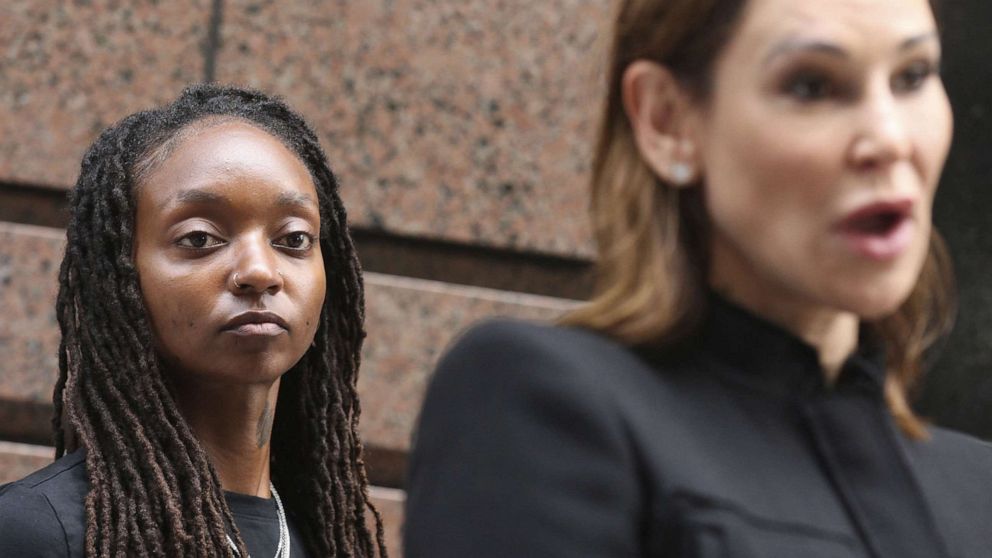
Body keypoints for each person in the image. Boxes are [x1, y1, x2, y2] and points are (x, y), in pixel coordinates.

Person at [404, 0, 992, 556]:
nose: (890, 139)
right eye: (811, 86)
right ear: (666, 119)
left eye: (913, 76)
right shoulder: (542, 405)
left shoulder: (976, 489)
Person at [0, 85, 386, 557]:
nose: (260, 271)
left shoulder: (331, 540)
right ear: (119, 273)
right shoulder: (36, 533)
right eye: (201, 238)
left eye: (294, 238)